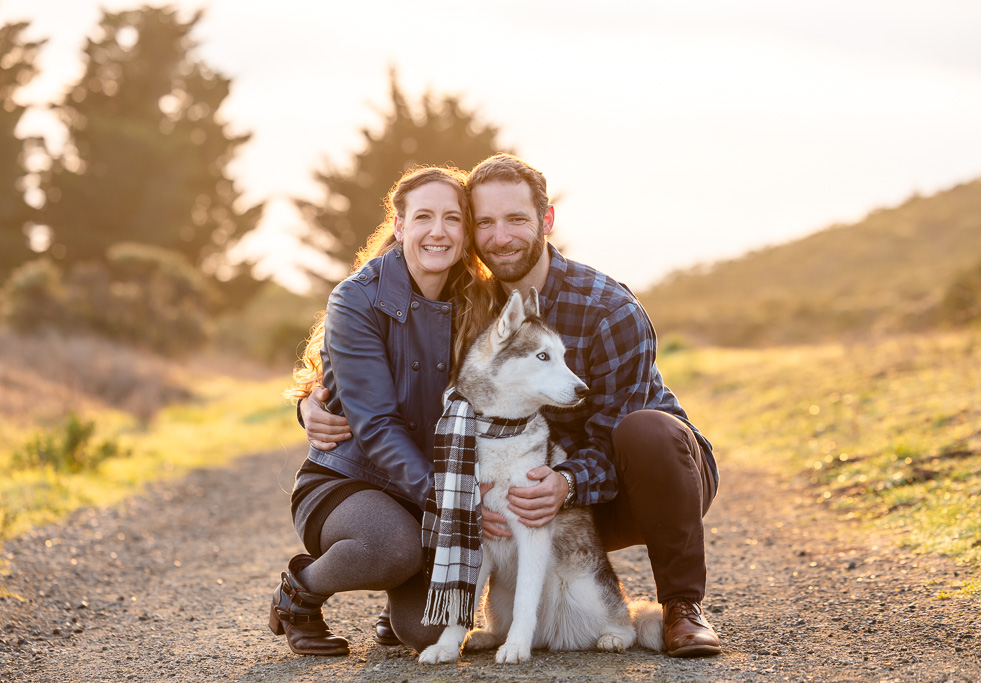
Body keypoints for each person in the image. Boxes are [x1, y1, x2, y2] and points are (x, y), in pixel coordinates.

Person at [302, 154, 722, 657]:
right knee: (426, 629)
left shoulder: (609, 308)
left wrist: (566, 483)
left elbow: (614, 430)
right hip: (522, 491)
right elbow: (388, 376)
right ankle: (405, 590)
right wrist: (312, 401)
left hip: (641, 480)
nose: (501, 237)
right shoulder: (471, 301)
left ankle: (683, 608)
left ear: (546, 220)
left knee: (648, 430)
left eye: (517, 219)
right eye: (485, 223)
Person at [269, 166, 494, 656]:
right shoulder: (356, 298)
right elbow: (374, 423)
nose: (438, 231)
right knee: (392, 548)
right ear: (400, 225)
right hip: (349, 478)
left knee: (431, 635)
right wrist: (449, 502)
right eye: (424, 217)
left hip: (429, 490)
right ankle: (300, 592)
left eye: (453, 219)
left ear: (465, 231)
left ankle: (398, 604)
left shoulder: (480, 299)